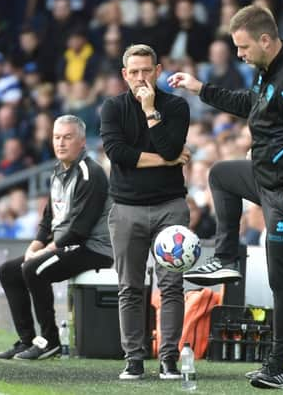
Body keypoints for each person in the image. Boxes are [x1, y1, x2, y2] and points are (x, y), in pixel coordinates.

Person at [168, 5, 283, 389]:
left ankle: (279, 367)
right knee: (221, 174)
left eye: (243, 46)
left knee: (282, 282)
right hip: (267, 179)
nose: (239, 54)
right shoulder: (268, 70)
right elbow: (250, 105)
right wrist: (202, 89)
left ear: (266, 39)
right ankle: (228, 258)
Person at [100, 44, 191, 380]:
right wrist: (167, 160)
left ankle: (168, 359)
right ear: (124, 75)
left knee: (171, 286)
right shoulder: (112, 107)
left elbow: (168, 145)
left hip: (170, 206)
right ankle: (134, 359)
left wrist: (151, 109)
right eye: (134, 72)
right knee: (130, 287)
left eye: (146, 70)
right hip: (126, 208)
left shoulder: (176, 106)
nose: (141, 77)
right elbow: (117, 153)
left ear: (158, 70)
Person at [0, 115, 113, 360]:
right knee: (8, 270)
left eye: (68, 137)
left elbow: (80, 229)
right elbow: (49, 217)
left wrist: (46, 251)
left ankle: (50, 341)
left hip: (93, 249)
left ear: (82, 143)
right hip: (67, 246)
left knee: (34, 269)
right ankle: (27, 341)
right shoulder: (57, 172)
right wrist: (34, 245)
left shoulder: (91, 173)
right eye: (57, 137)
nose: (61, 143)